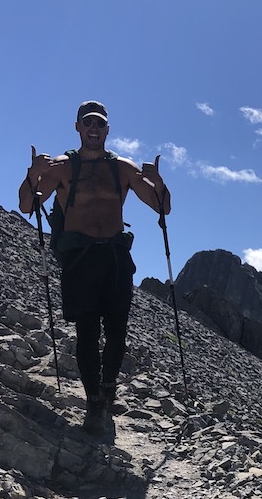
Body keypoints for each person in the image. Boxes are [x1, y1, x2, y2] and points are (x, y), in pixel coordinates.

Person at [18, 101, 171, 434]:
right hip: (81, 258)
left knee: (117, 332)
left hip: (115, 257)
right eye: (88, 123)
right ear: (77, 127)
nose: (93, 129)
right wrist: (32, 175)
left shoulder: (124, 169)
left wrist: (158, 182)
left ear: (106, 130)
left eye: (99, 124)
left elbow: (162, 207)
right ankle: (94, 402)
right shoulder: (60, 167)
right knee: (87, 331)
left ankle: (106, 393)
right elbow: (28, 205)